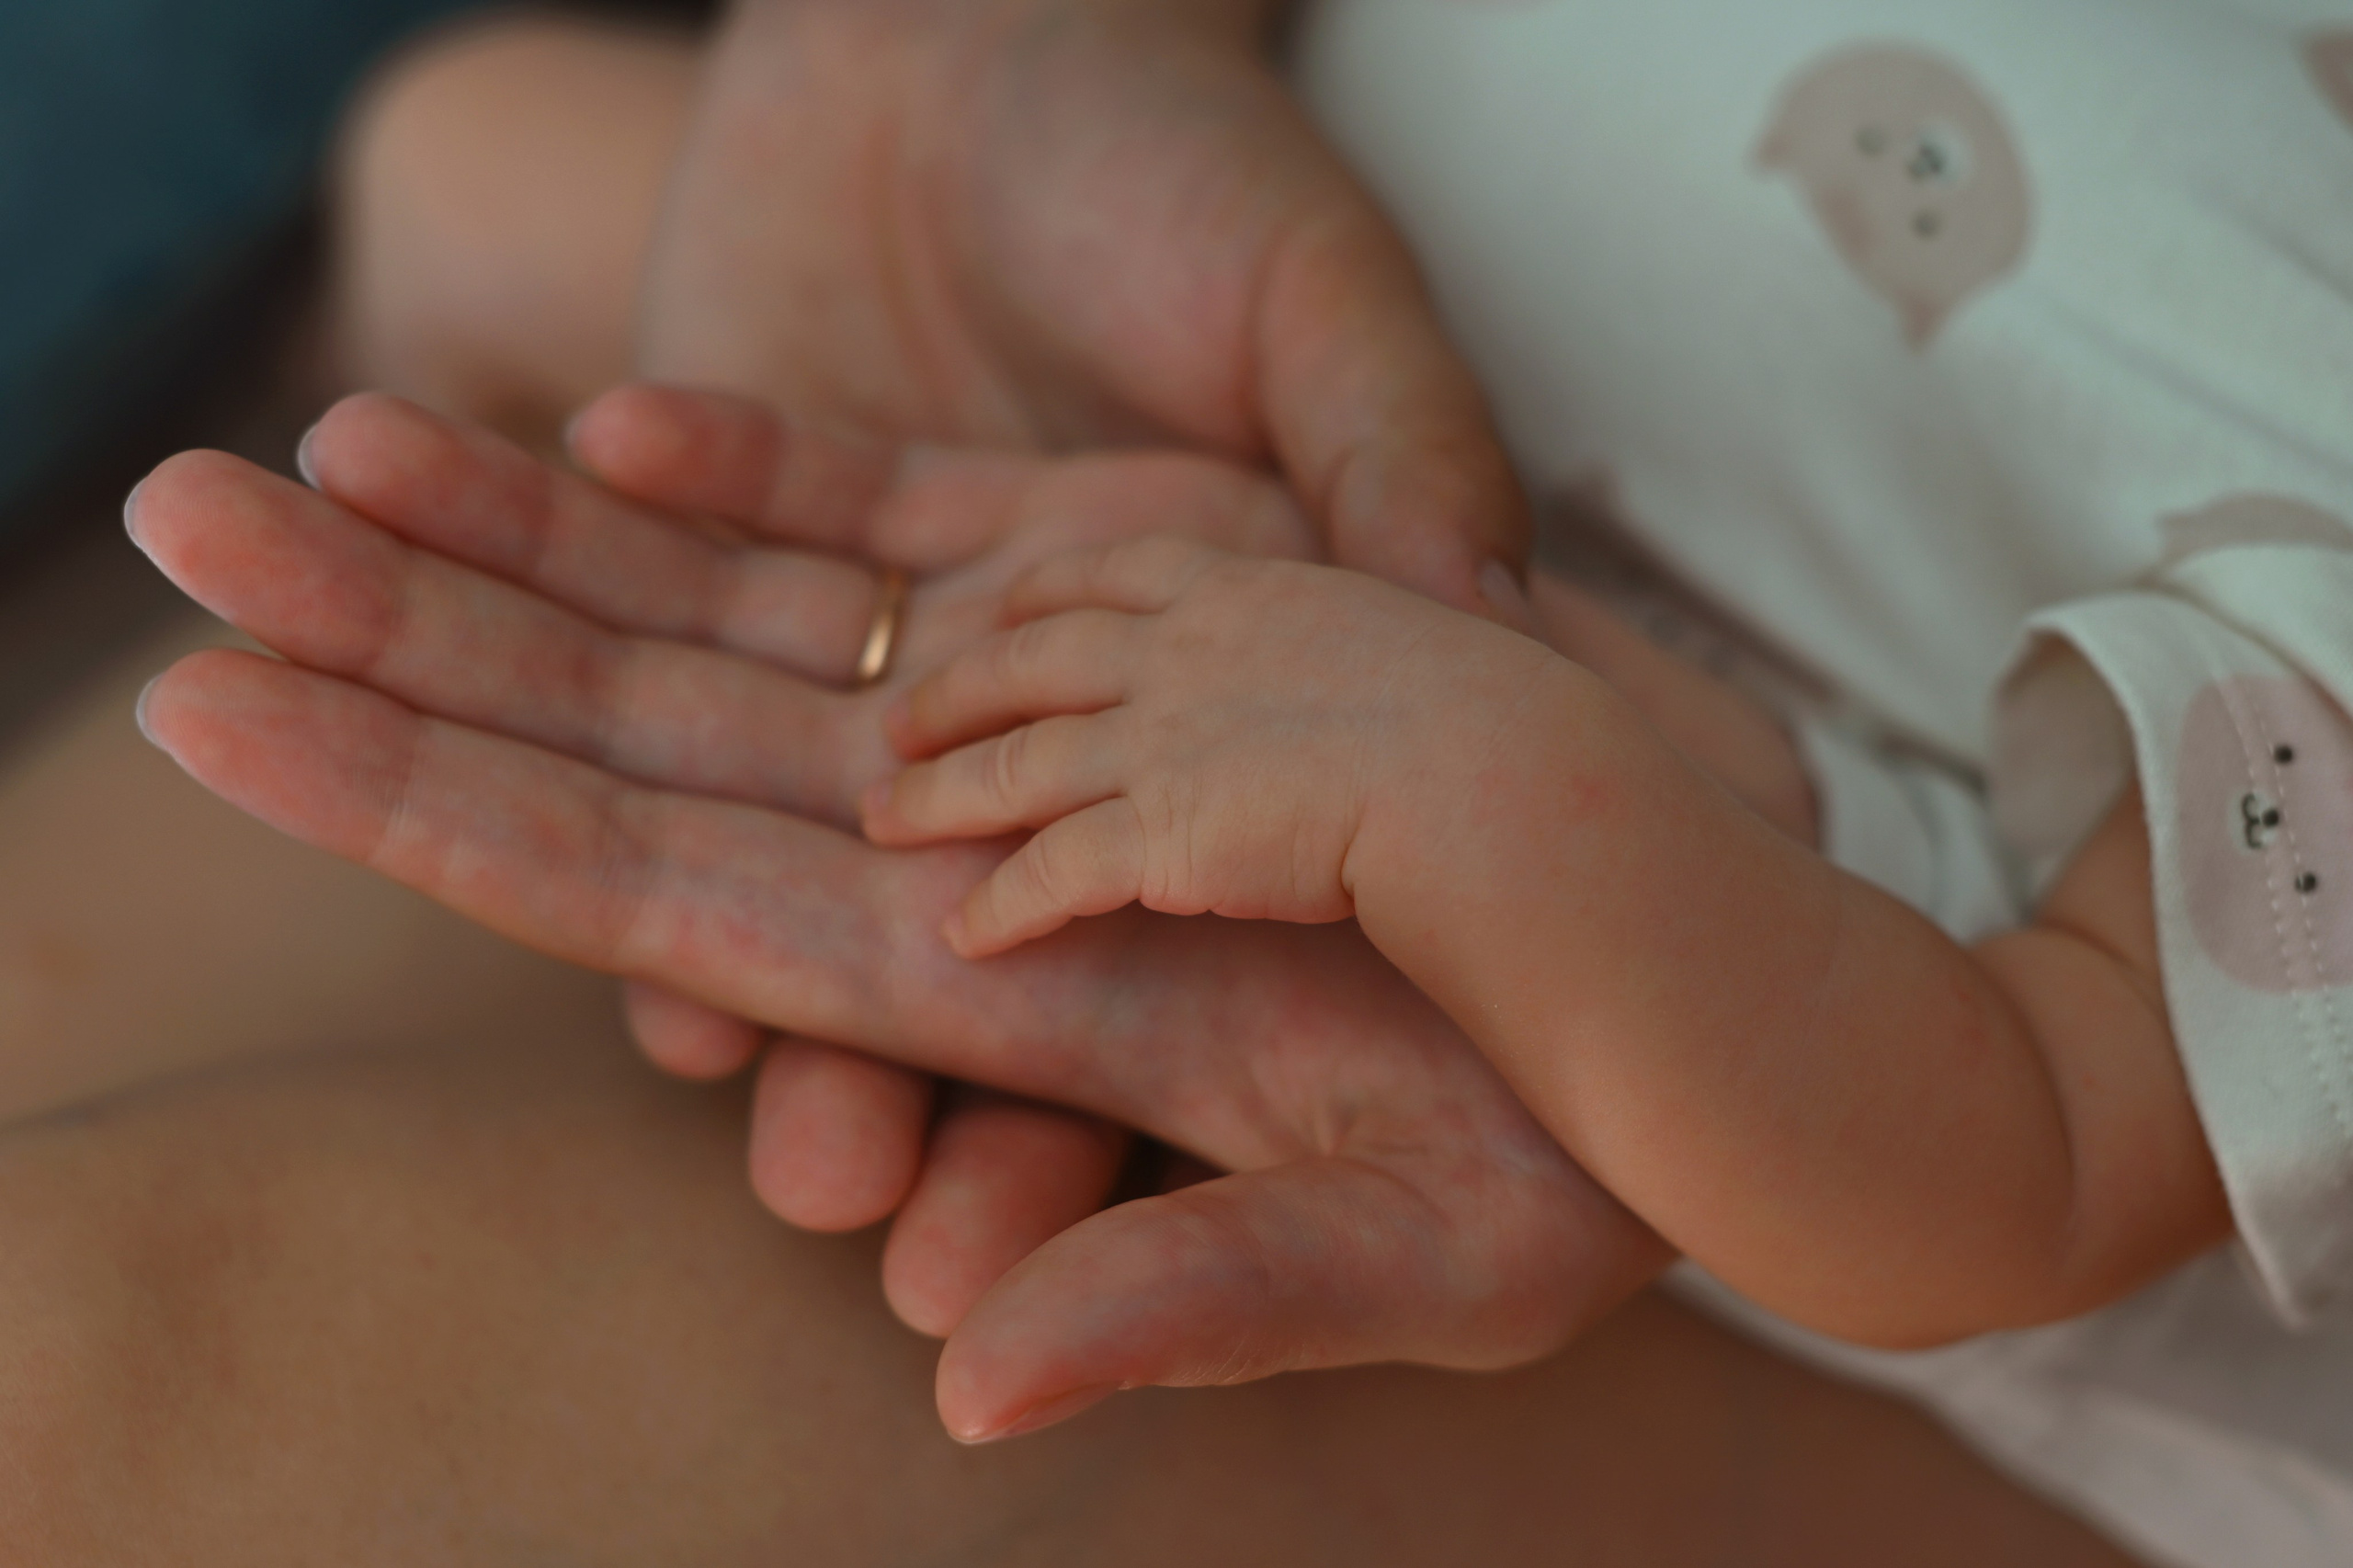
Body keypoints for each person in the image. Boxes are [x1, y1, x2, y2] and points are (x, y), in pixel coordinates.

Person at [0, 3, 2187, 1562]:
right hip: (1294, 348)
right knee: (476, 161)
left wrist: (1473, 796)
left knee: (87, 1373)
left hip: (1769, 943)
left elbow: (2041, 1148)